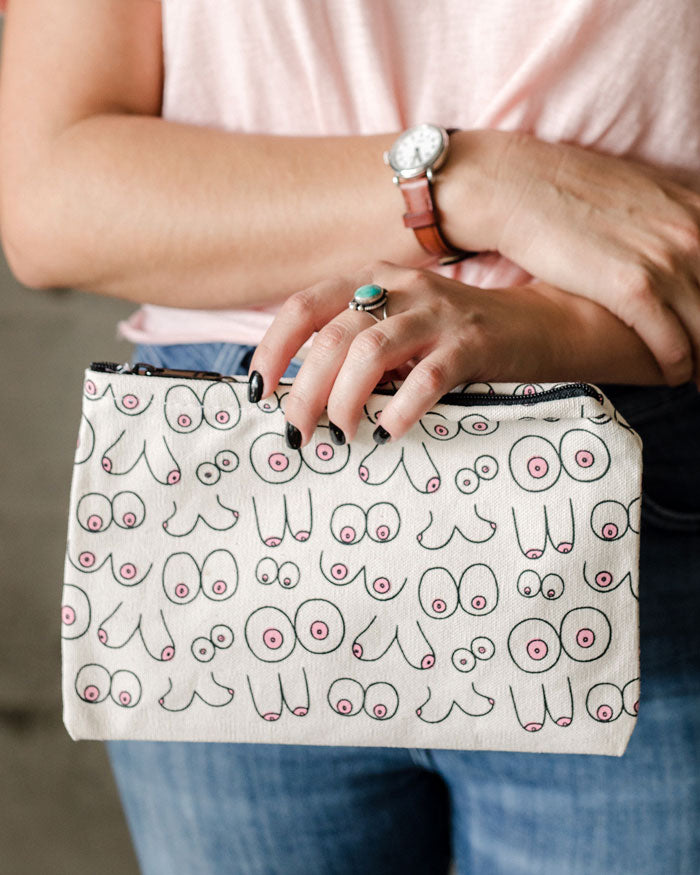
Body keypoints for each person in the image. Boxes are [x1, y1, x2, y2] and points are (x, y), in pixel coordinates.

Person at [1, 1, 698, 873]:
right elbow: (48, 195)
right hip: (232, 500)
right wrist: (478, 184)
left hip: (614, 475)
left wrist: (555, 323)